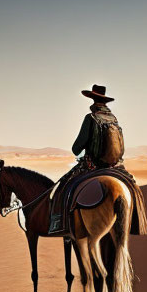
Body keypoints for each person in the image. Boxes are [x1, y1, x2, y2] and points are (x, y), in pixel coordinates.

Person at [48, 84, 126, 235]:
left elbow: (77, 147)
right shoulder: (114, 119)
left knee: (62, 188)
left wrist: (78, 149)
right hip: (116, 167)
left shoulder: (90, 118)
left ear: (93, 100)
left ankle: (60, 226)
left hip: (94, 166)